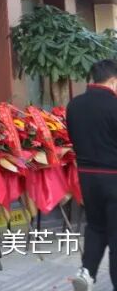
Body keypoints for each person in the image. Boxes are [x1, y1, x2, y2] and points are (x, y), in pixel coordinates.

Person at [67, 58, 117, 291]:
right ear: (113, 80)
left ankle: (86, 272)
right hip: (114, 176)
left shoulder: (74, 105)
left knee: (96, 226)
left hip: (87, 177)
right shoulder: (114, 105)